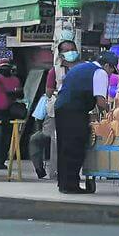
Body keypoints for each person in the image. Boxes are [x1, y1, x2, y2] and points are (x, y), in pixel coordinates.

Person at [54, 51, 117, 194]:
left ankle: (64, 183)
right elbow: (100, 101)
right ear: (106, 65)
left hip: (62, 108)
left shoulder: (80, 67)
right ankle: (71, 185)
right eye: (112, 69)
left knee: (64, 147)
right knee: (76, 146)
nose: (111, 73)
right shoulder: (99, 72)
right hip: (75, 110)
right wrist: (110, 112)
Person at [30, 40, 80, 179]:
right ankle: (43, 169)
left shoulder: (83, 68)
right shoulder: (55, 71)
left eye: (73, 49)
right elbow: (49, 92)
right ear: (61, 54)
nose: (71, 52)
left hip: (79, 111)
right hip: (57, 112)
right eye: (67, 50)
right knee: (43, 139)